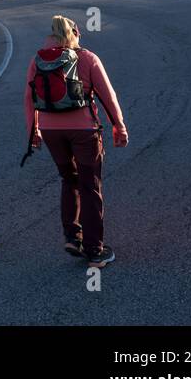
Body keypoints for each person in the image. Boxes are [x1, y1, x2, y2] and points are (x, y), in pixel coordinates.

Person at [24, 14, 129, 268]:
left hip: (50, 131)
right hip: (83, 130)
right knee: (90, 186)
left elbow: (29, 98)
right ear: (76, 33)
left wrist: (33, 132)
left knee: (69, 180)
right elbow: (108, 96)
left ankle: (73, 237)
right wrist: (118, 126)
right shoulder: (87, 58)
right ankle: (95, 250)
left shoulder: (38, 60)